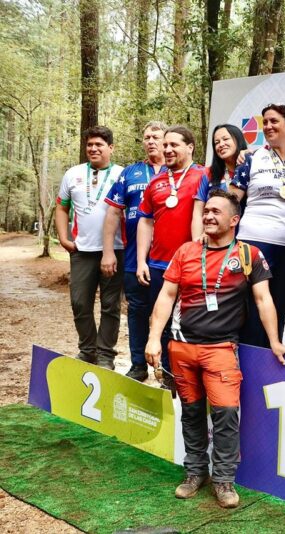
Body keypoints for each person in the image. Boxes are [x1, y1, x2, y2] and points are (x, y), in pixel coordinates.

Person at [144, 189, 285, 509]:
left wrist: (275, 340)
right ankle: (195, 472)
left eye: (216, 212)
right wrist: (154, 338)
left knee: (225, 416)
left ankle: (223, 479)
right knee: (192, 413)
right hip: (181, 347)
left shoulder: (249, 255)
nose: (208, 216)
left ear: (234, 220)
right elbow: (167, 296)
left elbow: (264, 299)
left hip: (221, 349)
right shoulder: (186, 251)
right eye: (206, 211)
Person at [230, 104, 285, 346]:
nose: (268, 126)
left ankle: (270, 363)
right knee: (251, 310)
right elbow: (231, 200)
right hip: (253, 243)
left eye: (274, 121)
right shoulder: (251, 158)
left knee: (280, 309)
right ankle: (245, 365)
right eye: (265, 122)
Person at [137, 125, 207, 384]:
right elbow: (146, 221)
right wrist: (142, 261)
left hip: (193, 263)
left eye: (173, 145)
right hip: (159, 264)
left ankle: (189, 376)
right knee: (162, 323)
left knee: (191, 322)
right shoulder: (155, 181)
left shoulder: (205, 175)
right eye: (165, 145)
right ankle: (168, 377)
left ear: (190, 147)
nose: (167, 149)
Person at [101, 121, 167, 381]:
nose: (150, 141)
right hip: (132, 258)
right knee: (137, 311)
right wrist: (108, 251)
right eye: (147, 137)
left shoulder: (179, 171)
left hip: (168, 256)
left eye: (156, 137)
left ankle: (168, 369)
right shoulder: (130, 172)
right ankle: (138, 365)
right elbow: (113, 213)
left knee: (169, 313)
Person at [55, 126, 125, 369]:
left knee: (110, 305)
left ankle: (105, 356)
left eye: (99, 145)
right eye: (89, 145)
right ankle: (88, 350)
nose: (93, 149)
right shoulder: (72, 174)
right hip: (82, 251)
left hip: (115, 250)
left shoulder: (122, 174)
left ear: (110, 148)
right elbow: (62, 207)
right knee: (80, 303)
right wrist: (63, 238)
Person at [210, 124, 248, 190]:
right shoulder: (208, 173)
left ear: (238, 140)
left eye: (225, 139)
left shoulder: (253, 166)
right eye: (217, 142)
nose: (221, 144)